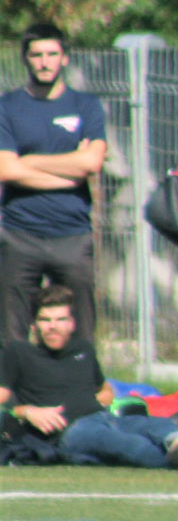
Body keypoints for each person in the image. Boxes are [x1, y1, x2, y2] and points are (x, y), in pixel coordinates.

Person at [0, 284, 178, 469]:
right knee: (130, 445)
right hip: (71, 432)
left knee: (153, 425)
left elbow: (104, 389)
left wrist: (102, 399)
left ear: (72, 324)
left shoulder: (83, 349)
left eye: (60, 319)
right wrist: (27, 412)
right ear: (34, 324)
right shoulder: (19, 353)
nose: (52, 326)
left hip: (105, 417)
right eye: (45, 320)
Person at [0, 22, 107, 342]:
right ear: (25, 59)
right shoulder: (7, 107)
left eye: (52, 53)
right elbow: (5, 170)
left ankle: (81, 388)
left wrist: (29, 163)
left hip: (72, 233)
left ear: (65, 58)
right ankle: (10, 391)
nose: (44, 61)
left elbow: (91, 163)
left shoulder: (85, 105)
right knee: (11, 327)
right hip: (20, 232)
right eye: (37, 55)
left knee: (81, 323)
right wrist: (68, 173)